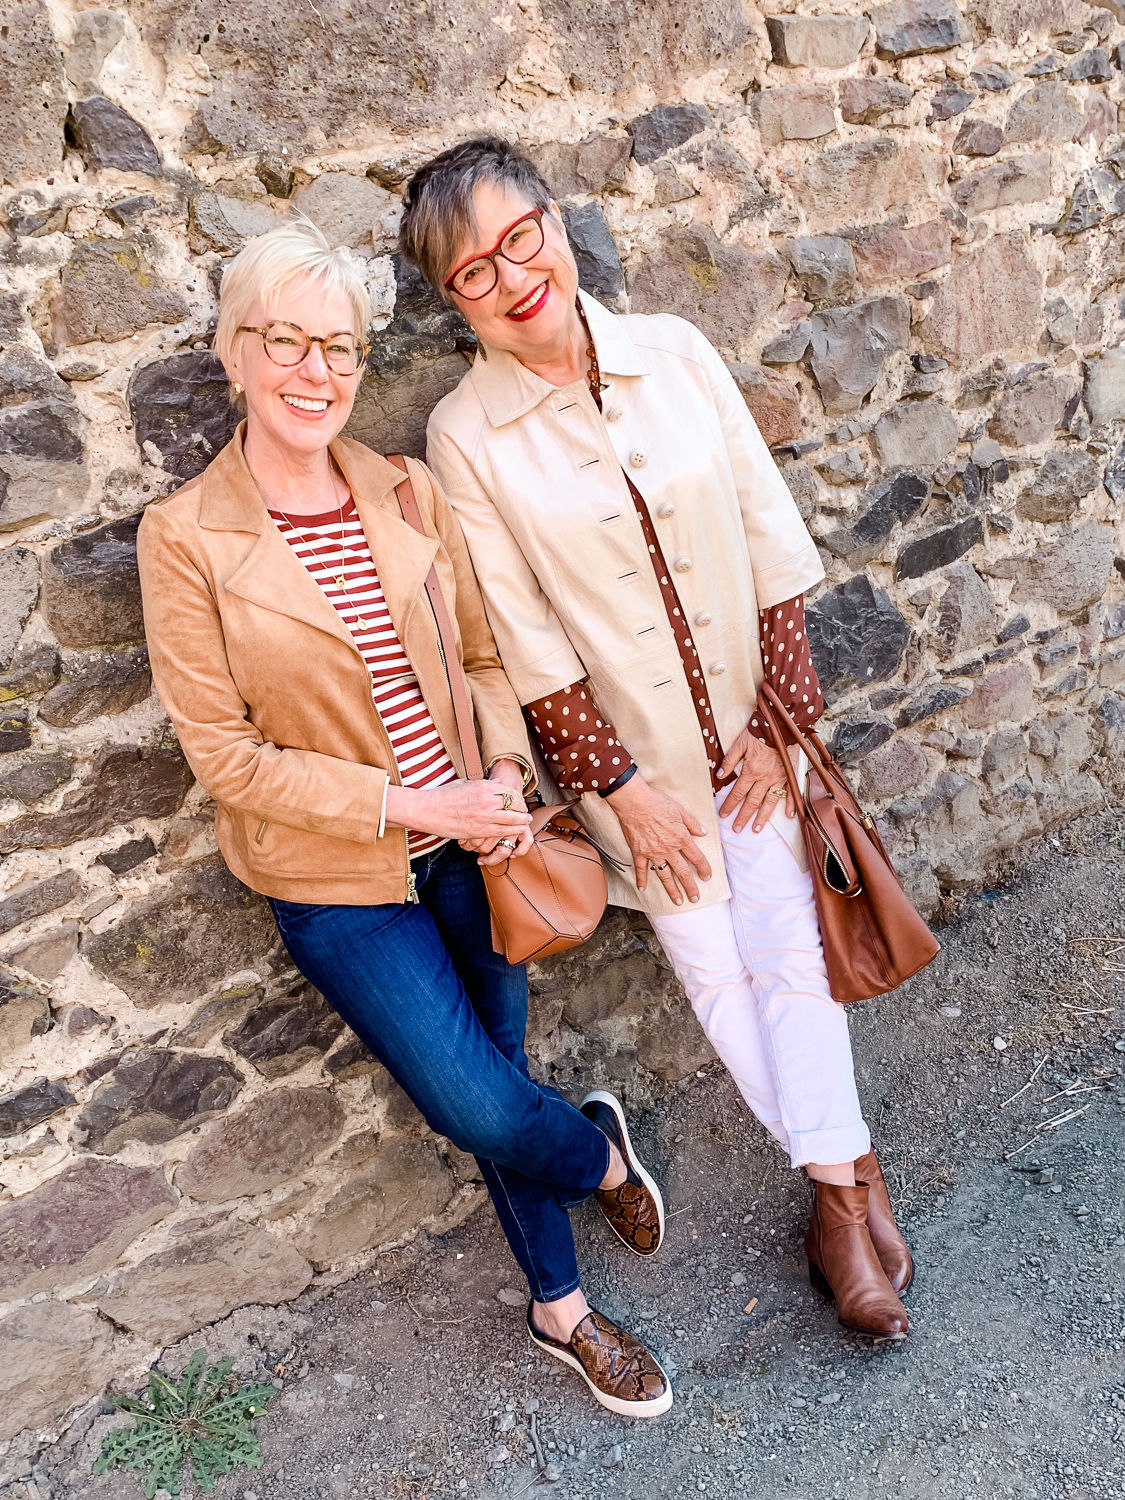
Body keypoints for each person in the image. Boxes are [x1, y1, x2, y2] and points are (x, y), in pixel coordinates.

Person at [136, 218, 673, 1416]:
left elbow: (482, 657)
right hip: (338, 884)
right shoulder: (184, 541)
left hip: (476, 847)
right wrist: (412, 800)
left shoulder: (405, 489)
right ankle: (597, 1155)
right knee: (472, 1100)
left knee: (503, 1068)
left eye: (338, 347)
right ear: (233, 354)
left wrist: (493, 777)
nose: (315, 371)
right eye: (285, 341)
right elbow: (225, 756)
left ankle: (562, 1312)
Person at [401, 138, 915, 1343]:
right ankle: (852, 1177)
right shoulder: (465, 434)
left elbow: (770, 537)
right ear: (451, 301)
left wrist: (778, 730)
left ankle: (838, 1211)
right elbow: (524, 637)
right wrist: (617, 787)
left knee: (791, 955)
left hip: (752, 739)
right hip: (634, 772)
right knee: (719, 980)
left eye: (518, 236)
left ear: (555, 219)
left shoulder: (676, 352)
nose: (511, 274)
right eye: (472, 271)